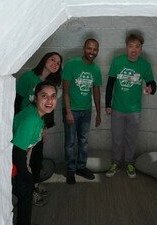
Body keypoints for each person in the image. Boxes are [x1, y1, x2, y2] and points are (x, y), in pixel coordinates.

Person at [105, 33, 157, 178]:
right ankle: (115, 163)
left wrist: (150, 89)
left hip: (134, 110)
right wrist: (107, 105)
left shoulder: (145, 65)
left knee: (131, 138)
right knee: (116, 137)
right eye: (130, 46)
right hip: (117, 108)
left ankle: (129, 162)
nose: (133, 50)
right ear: (126, 47)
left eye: (137, 47)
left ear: (141, 49)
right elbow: (110, 84)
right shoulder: (117, 61)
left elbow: (153, 84)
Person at [14, 52, 62, 205]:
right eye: (52, 59)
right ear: (44, 59)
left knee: (37, 157)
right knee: (22, 159)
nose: (55, 63)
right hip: (25, 126)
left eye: (59, 63)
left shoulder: (50, 84)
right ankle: (26, 189)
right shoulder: (28, 77)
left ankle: (34, 186)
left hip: (38, 126)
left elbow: (49, 109)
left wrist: (44, 129)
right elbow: (16, 102)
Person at [12, 81, 58, 225]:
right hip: (11, 164)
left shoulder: (36, 114)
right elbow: (17, 153)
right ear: (35, 98)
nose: (50, 100)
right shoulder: (31, 119)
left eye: (53, 96)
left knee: (25, 196)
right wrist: (26, 175)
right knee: (25, 195)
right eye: (44, 96)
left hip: (17, 162)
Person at [62, 38, 102, 184]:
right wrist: (68, 112)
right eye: (89, 48)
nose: (92, 52)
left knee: (83, 141)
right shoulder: (72, 64)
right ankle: (71, 170)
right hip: (71, 109)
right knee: (70, 142)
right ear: (84, 48)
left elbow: (96, 92)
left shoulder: (96, 69)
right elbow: (65, 91)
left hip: (86, 110)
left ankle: (81, 167)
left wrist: (98, 113)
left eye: (95, 49)